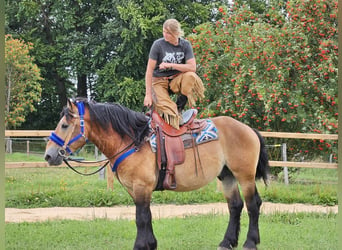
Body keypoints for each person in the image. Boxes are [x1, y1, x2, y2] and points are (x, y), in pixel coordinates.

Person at [144, 19, 205, 129]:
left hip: (176, 79)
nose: (165, 35)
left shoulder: (185, 45)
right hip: (159, 81)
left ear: (176, 33)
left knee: (191, 76)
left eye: (168, 33)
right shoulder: (158, 45)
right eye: (164, 32)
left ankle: (180, 108)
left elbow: (192, 67)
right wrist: (148, 95)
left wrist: (170, 65)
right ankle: (173, 115)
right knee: (170, 113)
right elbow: (149, 71)